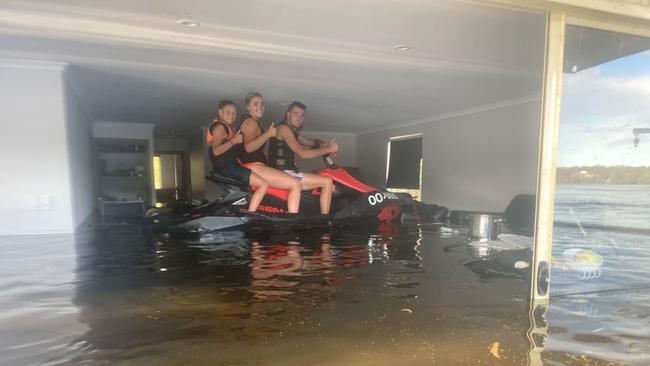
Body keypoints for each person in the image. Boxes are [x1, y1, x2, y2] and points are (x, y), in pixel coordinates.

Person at [268, 101, 339, 214]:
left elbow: (311, 142)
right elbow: (302, 153)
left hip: (288, 173)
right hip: (283, 173)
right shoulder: (283, 128)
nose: (299, 117)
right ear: (288, 114)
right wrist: (329, 149)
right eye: (296, 113)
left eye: (302, 115)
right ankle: (326, 221)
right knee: (327, 182)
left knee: (324, 181)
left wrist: (324, 145)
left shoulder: (292, 132)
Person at [236, 92, 302, 213]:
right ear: (247, 107)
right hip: (254, 167)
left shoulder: (249, 122)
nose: (260, 107)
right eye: (255, 104)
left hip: (252, 167)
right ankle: (293, 220)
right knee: (296, 184)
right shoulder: (251, 122)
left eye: (262, 104)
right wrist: (268, 134)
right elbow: (248, 148)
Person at [207, 100, 268, 212]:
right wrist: (234, 141)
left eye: (234, 113)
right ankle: (251, 214)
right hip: (228, 168)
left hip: (229, 167)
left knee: (248, 190)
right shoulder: (219, 127)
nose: (231, 115)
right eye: (228, 112)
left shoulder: (227, 128)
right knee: (263, 184)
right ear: (220, 112)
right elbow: (216, 151)